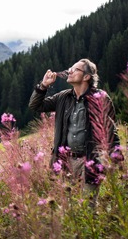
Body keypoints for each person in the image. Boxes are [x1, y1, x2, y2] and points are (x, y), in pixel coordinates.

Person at [28, 58, 121, 207]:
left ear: (86, 77)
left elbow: (111, 131)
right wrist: (43, 86)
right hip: (65, 162)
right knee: (66, 207)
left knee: (87, 208)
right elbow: (35, 106)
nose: (69, 71)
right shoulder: (63, 97)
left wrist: (115, 157)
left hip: (90, 161)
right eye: (70, 68)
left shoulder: (100, 98)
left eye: (75, 69)